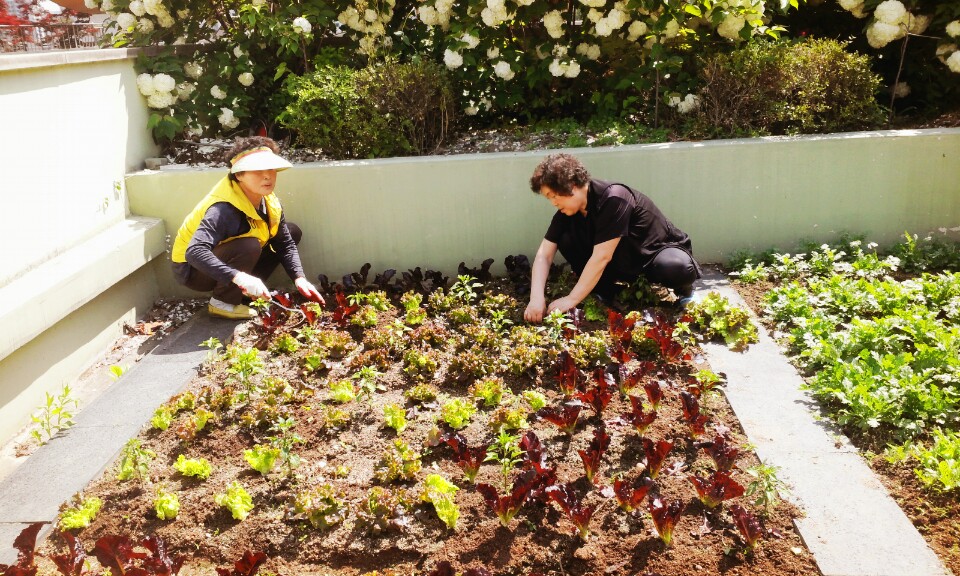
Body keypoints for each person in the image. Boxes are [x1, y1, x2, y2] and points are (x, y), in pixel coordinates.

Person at [523, 153, 700, 323]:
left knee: (677, 267)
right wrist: (536, 299)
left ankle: (685, 291)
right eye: (549, 198)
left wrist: (571, 299)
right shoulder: (568, 212)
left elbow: (602, 257)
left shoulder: (614, 197)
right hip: (623, 262)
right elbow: (544, 254)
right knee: (566, 238)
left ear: (572, 185)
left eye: (554, 196)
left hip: (652, 255)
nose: (553, 202)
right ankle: (605, 290)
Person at [171, 136, 324, 319]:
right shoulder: (223, 209)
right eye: (257, 170)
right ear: (239, 175)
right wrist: (239, 277)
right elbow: (194, 252)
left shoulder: (268, 201)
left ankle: (245, 293)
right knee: (249, 245)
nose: (267, 175)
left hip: (224, 260)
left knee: (291, 231)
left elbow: (285, 243)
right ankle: (222, 303)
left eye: (271, 168)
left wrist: (299, 278)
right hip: (194, 271)